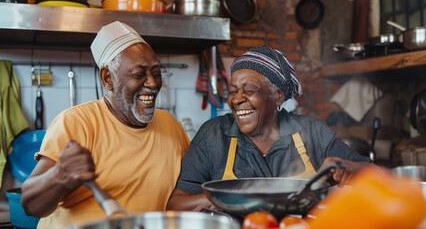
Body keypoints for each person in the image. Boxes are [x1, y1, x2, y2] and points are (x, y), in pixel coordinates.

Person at [20, 21, 190, 228]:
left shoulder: (171, 126)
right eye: (139, 74)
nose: (153, 83)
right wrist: (59, 176)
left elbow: (185, 191)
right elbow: (31, 206)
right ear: (107, 78)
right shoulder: (76, 123)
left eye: (156, 72)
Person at [167, 45, 373, 211]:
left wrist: (348, 168)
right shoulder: (213, 135)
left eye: (249, 90)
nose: (237, 99)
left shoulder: (312, 133)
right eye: (232, 91)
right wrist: (223, 199)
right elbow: (176, 203)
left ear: (277, 96)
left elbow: (376, 174)